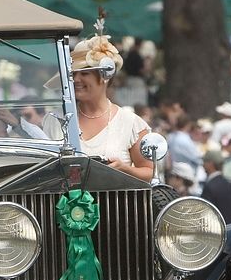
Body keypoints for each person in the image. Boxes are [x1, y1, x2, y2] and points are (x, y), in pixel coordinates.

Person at [46, 33, 152, 182]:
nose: (76, 79)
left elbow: (148, 173)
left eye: (85, 73)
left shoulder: (130, 123)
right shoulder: (56, 119)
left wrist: (125, 169)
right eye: (73, 74)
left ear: (105, 76)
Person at [200, 149, 231, 223]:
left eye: (205, 161)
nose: (203, 165)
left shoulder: (210, 187)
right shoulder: (230, 185)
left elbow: (205, 214)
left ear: (211, 163)